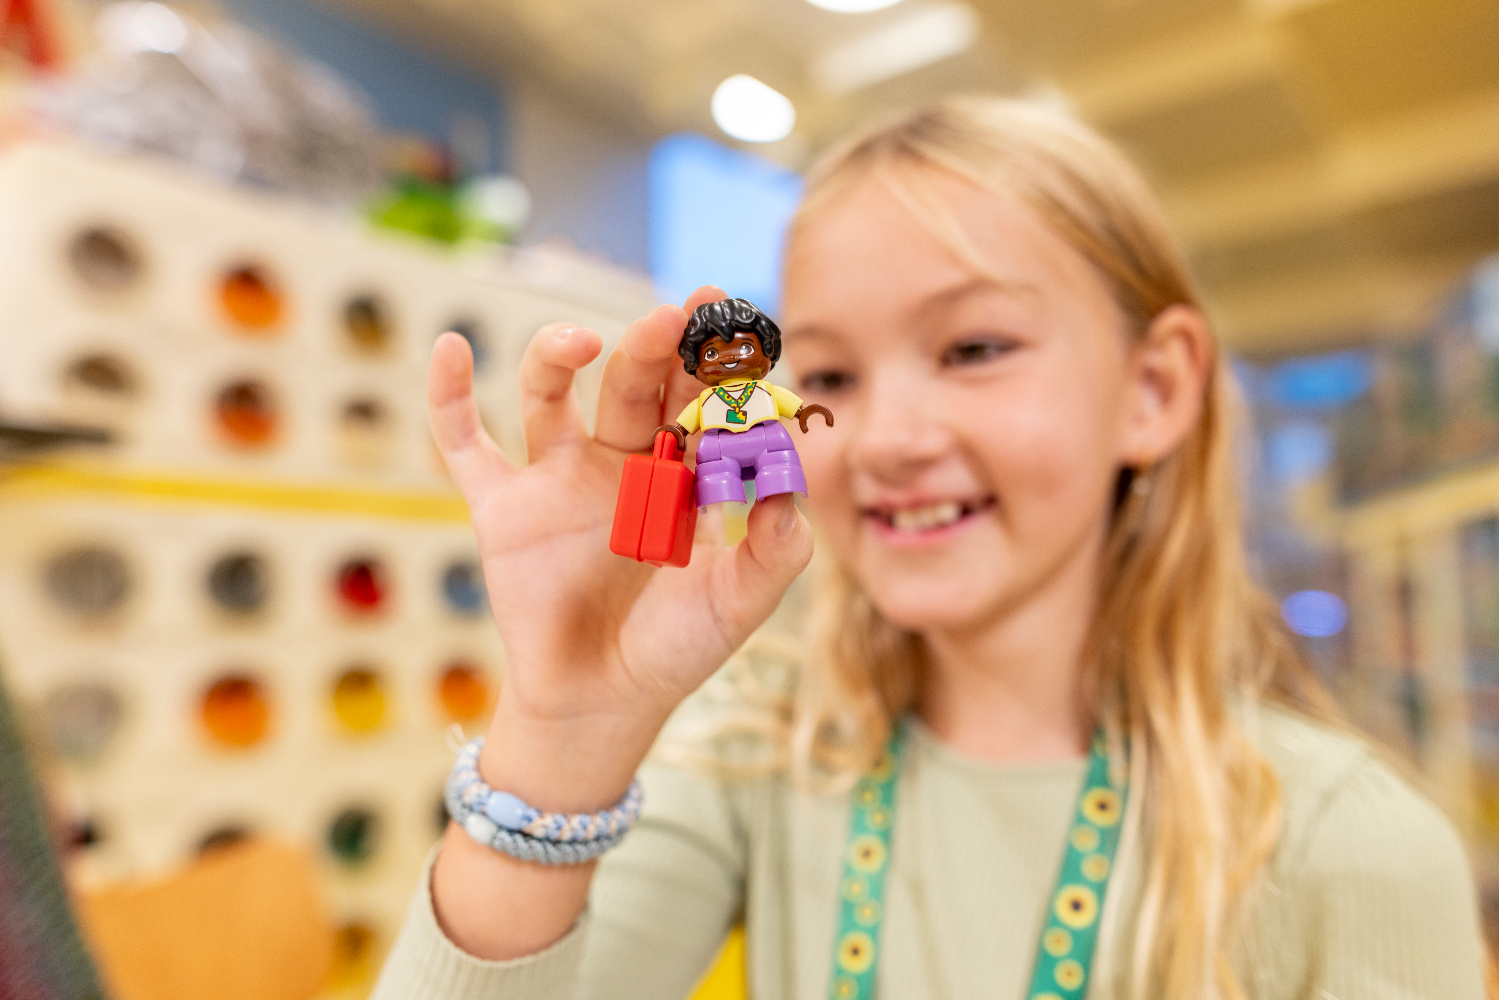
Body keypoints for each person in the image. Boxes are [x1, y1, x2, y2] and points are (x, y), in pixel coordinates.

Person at [373, 97, 1487, 999]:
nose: (888, 439)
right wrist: (556, 744)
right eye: (835, 376)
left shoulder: (1347, 845)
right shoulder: (753, 755)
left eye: (972, 346)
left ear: (1151, 389)